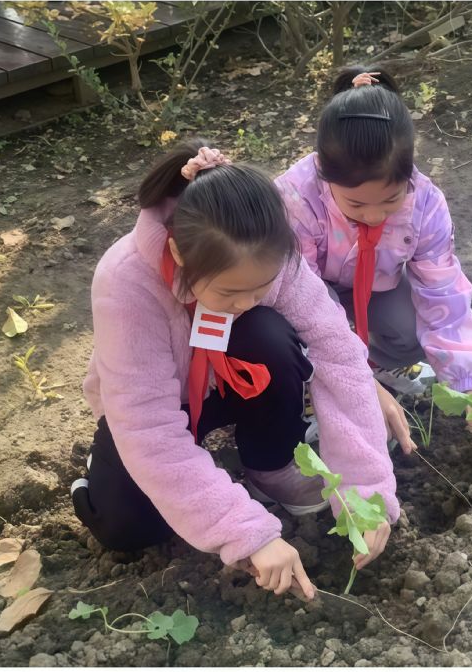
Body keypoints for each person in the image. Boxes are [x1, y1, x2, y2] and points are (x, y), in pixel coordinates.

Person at [71, 141, 397, 599]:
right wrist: (246, 532)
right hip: (160, 402)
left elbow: (339, 356)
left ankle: (271, 462)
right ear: (179, 255)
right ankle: (100, 470)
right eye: (228, 293)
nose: (245, 302)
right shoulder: (124, 282)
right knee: (128, 528)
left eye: (259, 289)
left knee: (268, 333)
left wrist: (366, 489)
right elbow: (148, 426)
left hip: (229, 379)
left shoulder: (271, 250)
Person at [276, 66, 472, 471]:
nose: (373, 216)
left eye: (390, 201)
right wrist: (356, 385)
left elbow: (444, 295)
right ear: (323, 173)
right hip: (302, 295)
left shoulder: (425, 204)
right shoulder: (295, 201)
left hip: (373, 288)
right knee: (286, 341)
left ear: (409, 174)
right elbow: (302, 305)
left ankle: (382, 365)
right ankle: (313, 396)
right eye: (355, 205)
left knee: (409, 328)